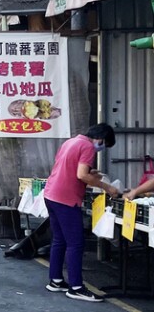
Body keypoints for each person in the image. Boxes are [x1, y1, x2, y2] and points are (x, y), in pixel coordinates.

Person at [43, 124, 121, 303]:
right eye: (104, 145)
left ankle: (56, 280)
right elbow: (81, 175)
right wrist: (108, 187)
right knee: (76, 243)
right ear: (100, 139)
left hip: (51, 194)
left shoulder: (71, 142)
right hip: (66, 198)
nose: (100, 149)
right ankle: (76, 287)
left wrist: (90, 172)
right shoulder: (87, 147)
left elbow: (69, 167)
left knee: (59, 240)